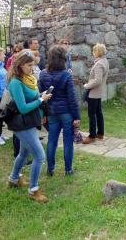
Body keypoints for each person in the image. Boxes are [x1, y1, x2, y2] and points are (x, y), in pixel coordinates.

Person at [7, 49, 52, 202]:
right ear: (19, 65)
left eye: (33, 65)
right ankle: (33, 190)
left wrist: (42, 95)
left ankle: (14, 179)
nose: (32, 68)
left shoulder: (27, 79)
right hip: (22, 124)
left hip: (30, 122)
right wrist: (40, 100)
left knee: (24, 154)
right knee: (39, 156)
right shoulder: (16, 82)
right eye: (29, 65)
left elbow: (32, 97)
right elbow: (23, 108)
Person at [38, 45, 80, 176]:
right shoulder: (67, 75)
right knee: (68, 142)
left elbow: (41, 95)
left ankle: (50, 168)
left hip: (51, 112)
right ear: (63, 59)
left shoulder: (43, 73)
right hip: (66, 112)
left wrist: (43, 113)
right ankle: (68, 169)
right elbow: (72, 98)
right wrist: (77, 116)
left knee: (52, 141)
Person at [82, 44, 109, 144]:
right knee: (98, 113)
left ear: (98, 52)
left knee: (92, 114)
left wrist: (87, 86)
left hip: (93, 93)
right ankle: (100, 133)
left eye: (94, 51)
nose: (93, 53)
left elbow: (98, 80)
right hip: (98, 92)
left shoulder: (99, 64)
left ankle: (92, 136)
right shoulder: (105, 61)